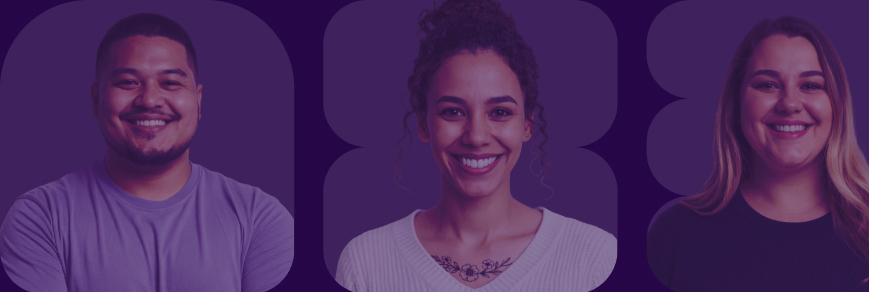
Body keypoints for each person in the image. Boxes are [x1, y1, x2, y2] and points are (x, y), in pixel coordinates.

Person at [331, 0, 616, 290]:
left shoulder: (593, 258)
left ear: (527, 124)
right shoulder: (365, 262)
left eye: (500, 112)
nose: (476, 136)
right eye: (453, 112)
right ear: (423, 123)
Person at [0, 12, 293, 292]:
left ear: (198, 101)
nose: (150, 99)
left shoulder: (260, 219)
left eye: (170, 83)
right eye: (128, 82)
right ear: (95, 98)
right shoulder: (40, 217)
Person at [646, 15, 869, 292]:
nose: (789, 103)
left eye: (811, 85)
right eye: (768, 85)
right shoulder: (674, 236)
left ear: (837, 104)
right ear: (737, 105)